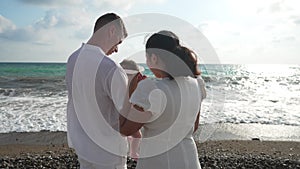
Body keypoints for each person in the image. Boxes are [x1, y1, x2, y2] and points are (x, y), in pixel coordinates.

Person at [120, 30, 206, 169]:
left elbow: (126, 129)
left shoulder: (150, 88)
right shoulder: (196, 84)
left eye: (147, 58)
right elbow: (193, 127)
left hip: (158, 160)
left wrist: (130, 90)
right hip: (189, 160)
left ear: (154, 58)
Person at [66, 13, 129, 169]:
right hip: (109, 153)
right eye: (118, 42)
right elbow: (126, 114)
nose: (116, 50)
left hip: (83, 147)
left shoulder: (72, 59)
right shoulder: (110, 67)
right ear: (111, 31)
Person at [120, 59, 146, 160]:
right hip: (126, 112)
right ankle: (133, 151)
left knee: (136, 135)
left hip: (129, 112)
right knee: (135, 134)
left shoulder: (136, 84)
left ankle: (133, 152)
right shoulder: (130, 84)